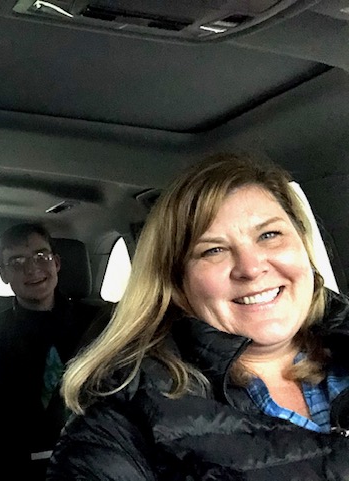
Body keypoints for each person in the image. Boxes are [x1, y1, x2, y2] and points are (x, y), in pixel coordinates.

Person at [47, 153, 349, 480]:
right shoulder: (123, 414)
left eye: (269, 235)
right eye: (213, 250)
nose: (250, 268)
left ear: (303, 244)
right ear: (177, 283)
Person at [0, 223, 110, 480]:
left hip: (95, 460)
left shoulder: (100, 325)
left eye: (41, 256)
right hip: (15, 468)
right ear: (4, 275)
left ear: (57, 263)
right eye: (16, 262)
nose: (31, 268)